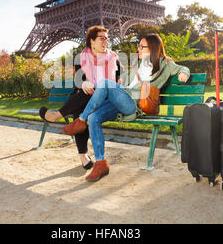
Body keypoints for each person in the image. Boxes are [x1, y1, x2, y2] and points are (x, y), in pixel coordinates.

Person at [61, 34, 190, 182]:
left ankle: (80, 120)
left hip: (133, 105)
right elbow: (128, 86)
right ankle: (101, 163)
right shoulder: (140, 64)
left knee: (104, 83)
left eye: (142, 46)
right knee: (94, 117)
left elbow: (183, 68)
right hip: (123, 99)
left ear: (153, 48)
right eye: (138, 46)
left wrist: (183, 74)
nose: (138, 49)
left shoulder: (164, 64)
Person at [39, 26, 123, 170]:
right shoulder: (83, 58)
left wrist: (105, 88)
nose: (106, 41)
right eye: (102, 38)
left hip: (106, 99)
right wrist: (84, 83)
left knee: (86, 97)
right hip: (86, 97)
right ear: (92, 41)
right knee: (83, 100)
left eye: (107, 38)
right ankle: (83, 156)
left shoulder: (114, 59)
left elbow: (119, 82)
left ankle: (56, 115)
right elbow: (80, 79)